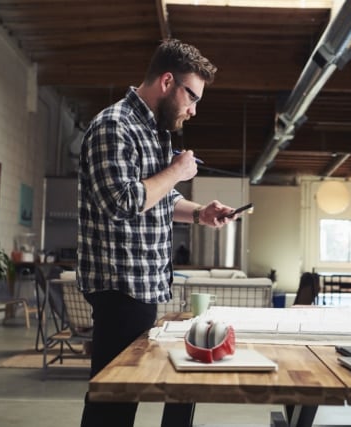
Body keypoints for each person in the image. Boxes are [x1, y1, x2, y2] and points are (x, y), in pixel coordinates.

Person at [77, 39, 238, 427]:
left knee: (124, 396)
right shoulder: (114, 126)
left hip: (142, 287)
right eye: (192, 97)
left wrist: (201, 213)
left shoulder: (154, 131)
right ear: (168, 81)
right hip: (119, 287)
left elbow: (158, 199)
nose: (193, 110)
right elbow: (123, 201)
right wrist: (177, 171)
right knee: (112, 401)